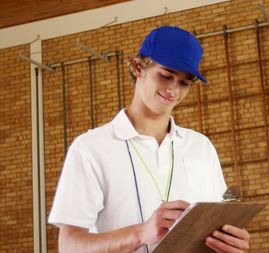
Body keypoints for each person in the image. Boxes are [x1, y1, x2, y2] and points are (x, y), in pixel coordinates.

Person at [48, 26, 250, 253]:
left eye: (185, 82)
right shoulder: (91, 148)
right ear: (137, 67)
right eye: (166, 76)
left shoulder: (201, 147)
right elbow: (69, 246)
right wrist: (141, 233)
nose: (173, 90)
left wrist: (231, 243)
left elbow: (215, 230)